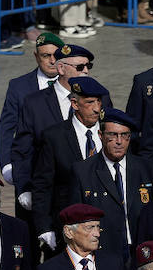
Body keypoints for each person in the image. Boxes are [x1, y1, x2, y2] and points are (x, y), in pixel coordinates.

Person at [74, 108, 153, 270]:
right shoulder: (83, 171)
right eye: (112, 135)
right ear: (100, 135)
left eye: (125, 135)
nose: (119, 141)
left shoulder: (145, 168)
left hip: (141, 253)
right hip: (103, 253)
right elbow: (76, 221)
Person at [31, 76, 108, 253]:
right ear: (74, 104)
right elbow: (43, 185)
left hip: (106, 224)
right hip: (69, 227)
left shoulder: (110, 132)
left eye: (99, 102)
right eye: (90, 102)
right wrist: (44, 227)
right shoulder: (54, 137)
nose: (97, 109)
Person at [0, 33, 64, 188]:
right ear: (36, 56)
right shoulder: (19, 87)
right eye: (46, 56)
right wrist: (8, 165)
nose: (52, 61)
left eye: (56, 55)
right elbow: (6, 128)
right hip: (29, 169)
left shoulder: (73, 84)